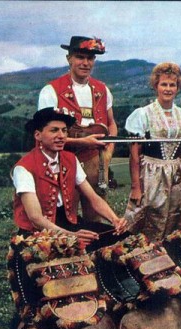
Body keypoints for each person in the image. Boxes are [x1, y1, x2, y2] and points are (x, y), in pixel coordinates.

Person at [12, 108, 127, 252]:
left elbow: (93, 198)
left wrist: (114, 219)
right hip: (39, 232)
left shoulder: (71, 159)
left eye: (64, 131)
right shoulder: (24, 167)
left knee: (124, 238)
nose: (61, 136)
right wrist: (71, 236)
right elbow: (35, 218)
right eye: (54, 130)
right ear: (38, 135)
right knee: (80, 249)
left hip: (70, 223)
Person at [38, 36, 118, 223]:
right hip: (61, 162)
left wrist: (109, 150)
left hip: (95, 162)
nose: (85, 63)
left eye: (90, 59)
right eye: (80, 57)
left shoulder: (103, 89)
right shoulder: (51, 91)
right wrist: (81, 142)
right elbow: (44, 134)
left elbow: (111, 122)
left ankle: (95, 251)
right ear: (69, 59)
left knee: (96, 217)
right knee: (66, 217)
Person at [123, 62, 181, 241]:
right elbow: (134, 153)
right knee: (150, 217)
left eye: (172, 85)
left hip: (176, 174)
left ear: (178, 87)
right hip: (151, 173)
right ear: (156, 86)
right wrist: (135, 187)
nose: (168, 89)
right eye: (164, 84)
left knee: (175, 217)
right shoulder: (143, 114)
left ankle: (171, 257)